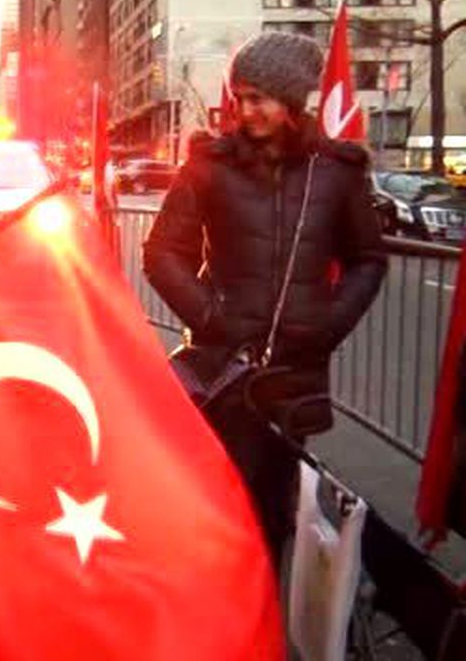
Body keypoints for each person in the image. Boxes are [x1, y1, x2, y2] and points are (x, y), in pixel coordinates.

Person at [144, 31, 387, 569]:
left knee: (280, 513)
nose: (244, 109)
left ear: (292, 100)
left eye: (258, 98)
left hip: (294, 375)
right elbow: (162, 252)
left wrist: (327, 323)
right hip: (223, 371)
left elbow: (368, 259)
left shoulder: (337, 172)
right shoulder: (209, 165)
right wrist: (212, 319)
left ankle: (266, 630)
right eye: (240, 97)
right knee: (219, 506)